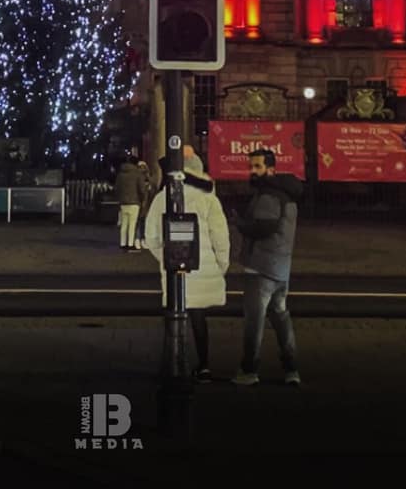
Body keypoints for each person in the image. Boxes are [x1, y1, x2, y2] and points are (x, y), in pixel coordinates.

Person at [142, 150, 231, 381]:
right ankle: (204, 366)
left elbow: (151, 235)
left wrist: (165, 257)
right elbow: (220, 235)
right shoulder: (209, 197)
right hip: (202, 265)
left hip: (174, 265)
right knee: (199, 318)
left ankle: (173, 362)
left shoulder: (165, 196)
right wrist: (221, 265)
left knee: (173, 312)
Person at [236, 148, 304, 386]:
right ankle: (291, 369)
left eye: (257, 167)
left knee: (254, 321)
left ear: (271, 169)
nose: (252, 171)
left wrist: (240, 224)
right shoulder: (287, 195)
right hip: (281, 266)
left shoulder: (268, 196)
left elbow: (262, 228)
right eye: (251, 166)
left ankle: (249, 370)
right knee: (281, 316)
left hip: (261, 266)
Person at [113, 152, 146, 252]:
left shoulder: (120, 174)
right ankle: (130, 244)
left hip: (123, 202)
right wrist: (142, 198)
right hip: (134, 202)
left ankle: (123, 243)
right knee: (132, 224)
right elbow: (141, 189)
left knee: (124, 224)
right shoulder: (137, 174)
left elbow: (117, 188)